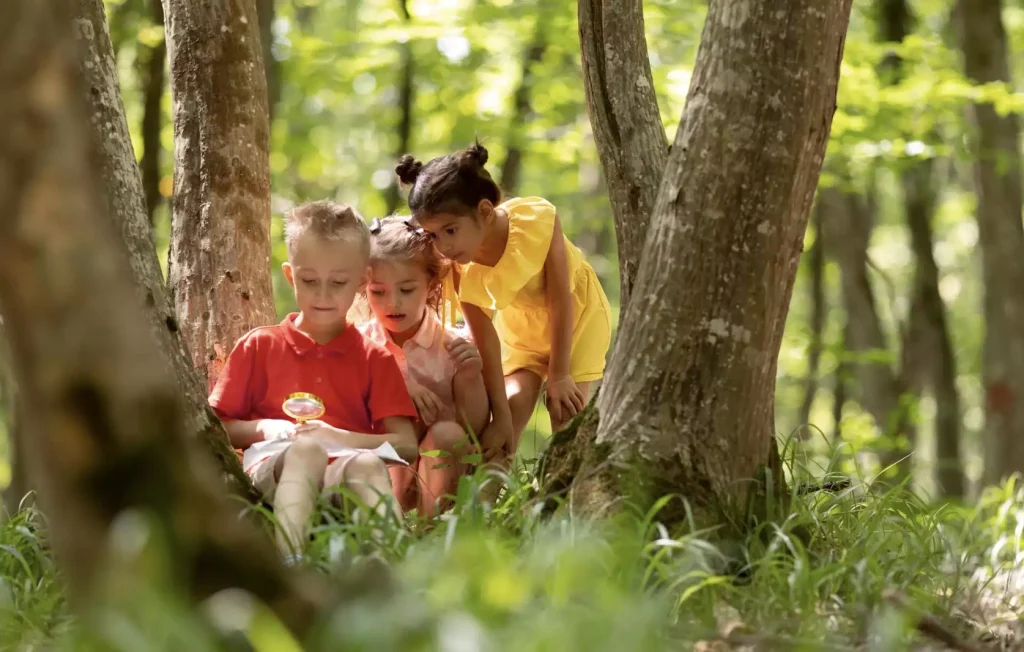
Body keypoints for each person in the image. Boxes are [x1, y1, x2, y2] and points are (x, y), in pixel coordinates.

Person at [208, 200, 418, 563]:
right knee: (307, 451)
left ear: (362, 283)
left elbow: (406, 445)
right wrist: (266, 428)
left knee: (368, 465)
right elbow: (217, 428)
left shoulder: (374, 358)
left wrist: (338, 438)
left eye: (338, 283)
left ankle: (400, 574)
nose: (323, 295)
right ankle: (291, 567)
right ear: (291, 276)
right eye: (309, 281)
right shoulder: (260, 345)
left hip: (343, 471)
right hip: (278, 466)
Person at [394, 142, 612, 468]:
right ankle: (482, 508)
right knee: (510, 409)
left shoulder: (536, 220)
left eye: (451, 230)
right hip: (521, 332)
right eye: (434, 235)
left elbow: (560, 298)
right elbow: (487, 342)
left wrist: (560, 373)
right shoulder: (458, 267)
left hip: (576, 321)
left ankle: (562, 502)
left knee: (564, 411)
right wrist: (500, 419)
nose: (444, 245)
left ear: (483, 211)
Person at [358, 216, 489, 517]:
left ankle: (433, 533)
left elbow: (474, 427)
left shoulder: (451, 343)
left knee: (448, 434)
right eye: (378, 292)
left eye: (406, 290)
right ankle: (388, 527)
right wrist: (397, 386)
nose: (393, 303)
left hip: (441, 469)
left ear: (430, 285)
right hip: (386, 473)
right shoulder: (359, 344)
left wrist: (470, 376)